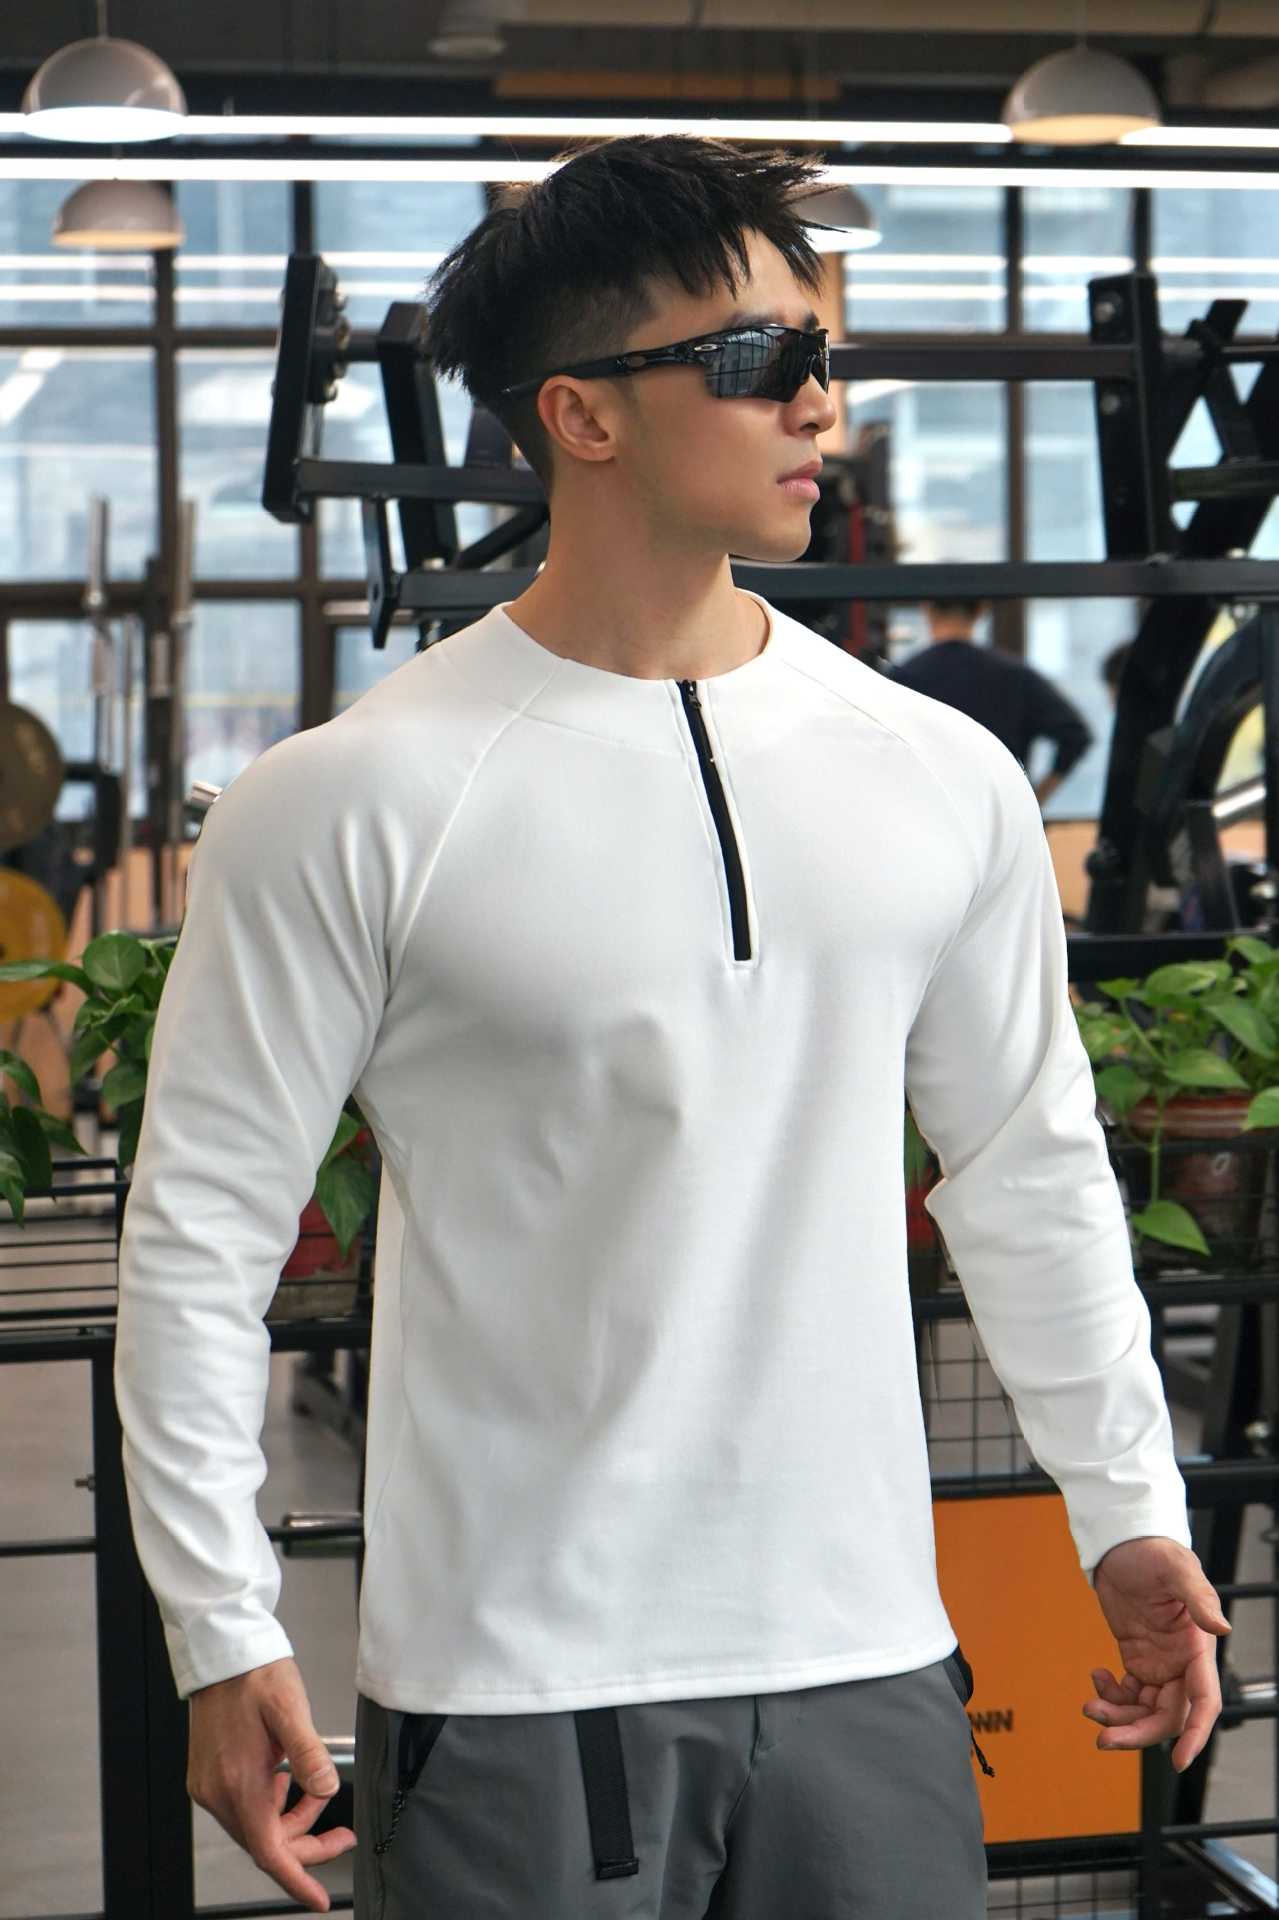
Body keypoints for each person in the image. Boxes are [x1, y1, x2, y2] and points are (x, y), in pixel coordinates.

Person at [113, 133, 1228, 1920]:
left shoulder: (935, 775)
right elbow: (197, 1240)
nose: (814, 401)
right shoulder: (346, 801)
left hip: (870, 1654)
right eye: (755, 358)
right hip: (508, 1683)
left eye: (820, 353)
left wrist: (1127, 1511)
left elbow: (1027, 1172)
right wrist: (219, 1626)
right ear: (579, 414)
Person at [886, 599, 1094, 814]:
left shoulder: (902, 678)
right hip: (1000, 812)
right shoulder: (1014, 675)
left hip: (928, 812)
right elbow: (1075, 735)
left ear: (926, 609)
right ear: (981, 610)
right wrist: (1035, 800)